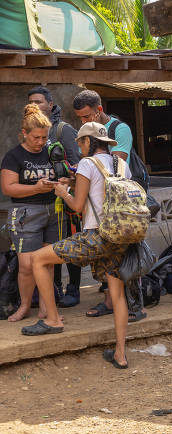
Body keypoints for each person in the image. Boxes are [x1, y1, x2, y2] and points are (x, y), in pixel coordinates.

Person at [23, 123, 131, 370]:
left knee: (37, 259)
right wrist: (72, 182)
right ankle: (120, 354)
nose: (79, 147)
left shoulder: (87, 163)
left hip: (95, 237)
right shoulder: (121, 164)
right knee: (117, 295)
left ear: (88, 142)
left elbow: (77, 206)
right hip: (119, 237)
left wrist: (62, 191)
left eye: (80, 142)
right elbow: (101, 189)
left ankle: (52, 320)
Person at [72, 89, 147, 321]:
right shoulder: (88, 134)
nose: (83, 121)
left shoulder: (119, 129)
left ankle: (136, 305)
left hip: (124, 205)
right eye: (80, 118)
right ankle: (110, 301)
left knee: (129, 255)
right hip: (103, 206)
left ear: (99, 110)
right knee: (109, 259)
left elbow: (117, 163)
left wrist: (85, 170)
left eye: (87, 116)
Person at [1, 105, 60, 322]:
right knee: (26, 266)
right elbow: (8, 188)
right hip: (25, 213)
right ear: (24, 133)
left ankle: (46, 308)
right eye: (36, 137)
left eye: (44, 137)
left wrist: (63, 181)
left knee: (48, 262)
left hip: (53, 210)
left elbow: (63, 173)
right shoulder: (14, 156)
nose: (41, 142)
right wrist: (36, 188)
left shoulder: (51, 151)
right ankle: (24, 306)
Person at [27, 86, 82, 308]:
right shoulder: (29, 130)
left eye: (39, 101)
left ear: (50, 104)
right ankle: (55, 288)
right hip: (42, 202)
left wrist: (66, 182)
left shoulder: (62, 131)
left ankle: (74, 288)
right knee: (51, 246)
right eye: (31, 102)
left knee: (70, 244)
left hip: (65, 201)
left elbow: (78, 165)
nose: (34, 105)